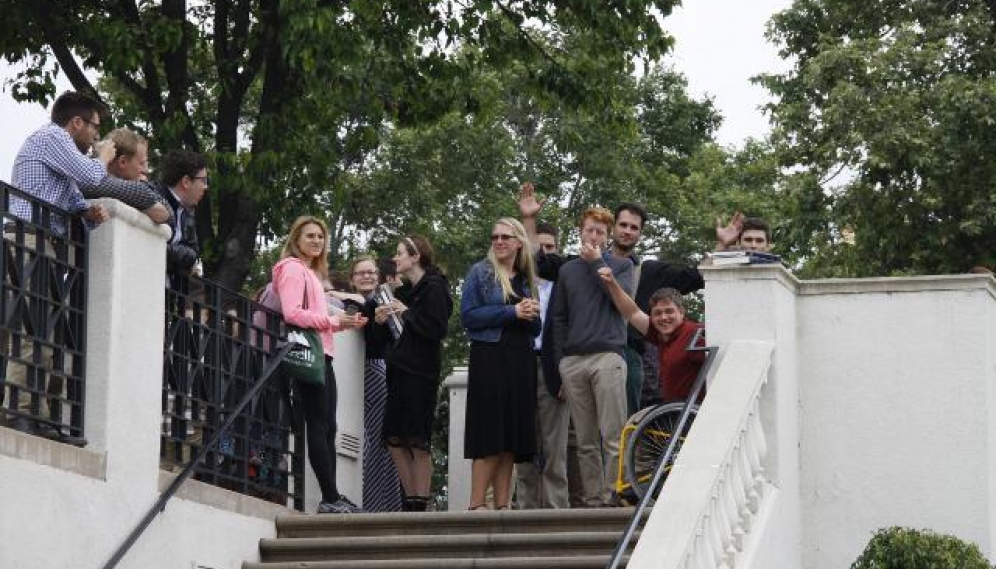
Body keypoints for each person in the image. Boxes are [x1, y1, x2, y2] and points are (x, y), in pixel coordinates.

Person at [3, 90, 115, 443]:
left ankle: (42, 418)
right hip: (29, 239)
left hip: (42, 243)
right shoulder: (52, 137)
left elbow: (72, 196)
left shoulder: (60, 155)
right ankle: (19, 413)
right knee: (32, 331)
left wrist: (87, 212)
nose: (97, 135)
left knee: (47, 336)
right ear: (76, 122)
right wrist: (104, 156)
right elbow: (92, 177)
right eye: (95, 127)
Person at [273, 216, 365, 514]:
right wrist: (331, 320)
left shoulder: (309, 272)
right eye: (310, 236)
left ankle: (333, 494)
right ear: (296, 239)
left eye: (320, 237)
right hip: (308, 357)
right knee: (319, 424)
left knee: (328, 427)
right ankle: (329, 498)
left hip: (322, 354)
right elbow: (292, 313)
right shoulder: (292, 269)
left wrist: (342, 324)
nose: (316, 241)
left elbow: (316, 319)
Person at [550, 207, 634, 507]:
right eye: (589, 230)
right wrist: (560, 362)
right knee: (584, 440)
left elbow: (621, 304)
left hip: (608, 355)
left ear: (607, 236)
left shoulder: (622, 265)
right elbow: (558, 319)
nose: (594, 236)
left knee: (612, 433)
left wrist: (597, 262)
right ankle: (594, 499)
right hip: (573, 361)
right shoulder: (567, 270)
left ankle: (617, 494)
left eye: (600, 232)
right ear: (580, 231)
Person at [461, 218, 541, 510]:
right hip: (489, 357)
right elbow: (468, 317)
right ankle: (476, 504)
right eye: (495, 237)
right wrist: (511, 312)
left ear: (519, 242)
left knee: (511, 436)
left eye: (505, 237)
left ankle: (504, 506)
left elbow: (535, 329)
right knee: (489, 432)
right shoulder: (480, 272)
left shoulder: (525, 277)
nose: (499, 242)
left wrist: (531, 314)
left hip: (521, 360)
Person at [375, 235, 453, 512]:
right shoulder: (408, 290)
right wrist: (384, 316)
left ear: (415, 256)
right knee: (394, 437)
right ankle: (411, 500)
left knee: (417, 438)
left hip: (421, 372)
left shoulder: (435, 287)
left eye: (399, 253)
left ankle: (420, 500)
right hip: (399, 370)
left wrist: (406, 313)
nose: (395, 259)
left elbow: (436, 327)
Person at [513, 221, 573, 509]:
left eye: (550, 247)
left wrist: (564, 372)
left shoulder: (566, 284)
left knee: (555, 446)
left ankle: (555, 512)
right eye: (540, 248)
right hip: (519, 365)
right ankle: (525, 510)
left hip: (554, 368)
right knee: (523, 445)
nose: (545, 253)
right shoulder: (513, 281)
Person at [596, 267, 706, 404]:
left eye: (669, 311)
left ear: (682, 312)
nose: (664, 317)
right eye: (658, 313)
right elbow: (632, 312)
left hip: (695, 414)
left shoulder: (696, 333)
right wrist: (611, 282)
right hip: (670, 414)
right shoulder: (659, 333)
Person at [348, 255, 403, 512]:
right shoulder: (351, 305)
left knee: (382, 442)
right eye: (361, 273)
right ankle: (365, 501)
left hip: (378, 372)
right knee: (367, 441)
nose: (367, 276)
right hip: (356, 374)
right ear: (352, 279)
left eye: (371, 272)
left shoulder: (384, 303)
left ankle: (383, 506)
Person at [85, 128, 171, 224]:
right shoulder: (86, 178)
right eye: (141, 163)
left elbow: (168, 214)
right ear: (122, 162)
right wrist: (142, 190)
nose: (146, 170)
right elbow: (165, 213)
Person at [152, 150, 208, 290]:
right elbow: (149, 244)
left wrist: (168, 252)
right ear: (186, 182)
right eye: (203, 180)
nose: (206, 187)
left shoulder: (187, 212)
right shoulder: (152, 199)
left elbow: (193, 253)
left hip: (169, 293)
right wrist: (176, 256)